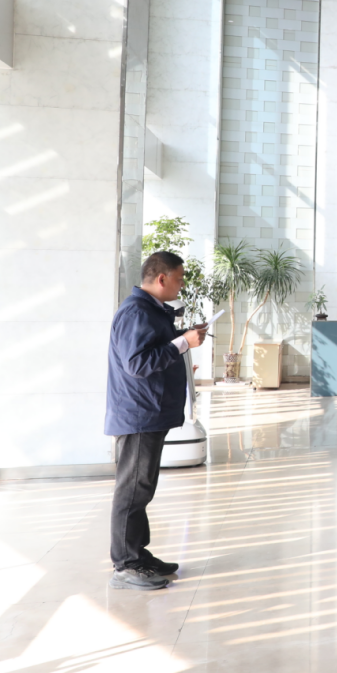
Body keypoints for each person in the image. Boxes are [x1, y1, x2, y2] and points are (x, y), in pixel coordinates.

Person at [105, 251, 206, 590]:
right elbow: (137, 364)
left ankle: (138, 555)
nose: (181, 285)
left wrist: (183, 339)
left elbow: (154, 350)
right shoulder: (137, 311)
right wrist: (182, 343)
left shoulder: (150, 310)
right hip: (139, 414)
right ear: (162, 278)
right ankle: (126, 565)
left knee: (142, 488)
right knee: (133, 490)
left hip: (149, 412)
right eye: (179, 278)